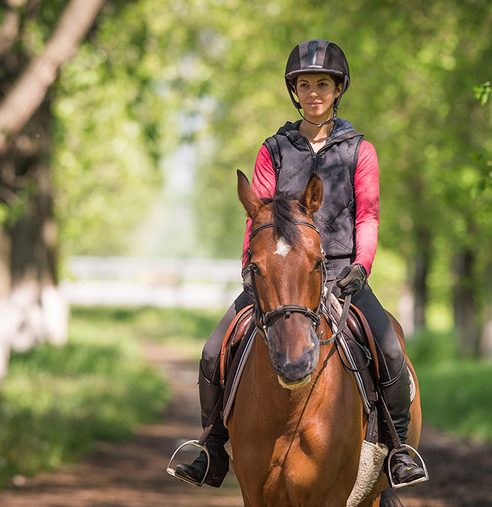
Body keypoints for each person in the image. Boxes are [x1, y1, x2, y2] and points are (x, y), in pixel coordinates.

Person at [176, 38, 426, 488]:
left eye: (323, 84)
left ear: (337, 90)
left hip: (340, 273)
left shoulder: (358, 150)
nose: (314, 93)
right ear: (295, 91)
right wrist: (254, 268)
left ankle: (398, 449)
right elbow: (256, 216)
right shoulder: (273, 148)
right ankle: (212, 447)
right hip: (278, 276)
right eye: (305, 84)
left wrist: (361, 267)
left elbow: (367, 214)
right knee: (215, 348)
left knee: (389, 348)